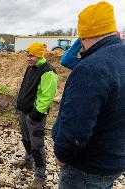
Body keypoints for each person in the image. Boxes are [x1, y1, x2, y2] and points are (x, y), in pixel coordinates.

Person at [52, 2, 125, 188]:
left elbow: (76, 128)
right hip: (114, 160)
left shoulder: (91, 68)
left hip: (87, 167)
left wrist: (61, 154)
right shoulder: (120, 57)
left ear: (83, 35)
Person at [15, 42, 58, 188]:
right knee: (26, 139)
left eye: (31, 55)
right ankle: (28, 161)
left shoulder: (48, 71)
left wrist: (36, 114)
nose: (28, 58)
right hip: (23, 111)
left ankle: (40, 176)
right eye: (27, 55)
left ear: (39, 55)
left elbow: (47, 96)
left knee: (37, 145)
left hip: (35, 116)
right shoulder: (31, 67)